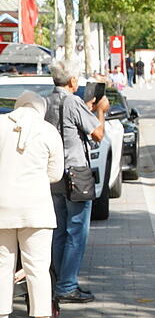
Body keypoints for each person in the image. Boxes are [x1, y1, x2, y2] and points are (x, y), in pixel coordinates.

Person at [44, 61, 108, 304]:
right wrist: (100, 110)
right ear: (71, 81)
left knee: (59, 230)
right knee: (77, 231)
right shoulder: (73, 101)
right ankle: (67, 285)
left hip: (54, 173)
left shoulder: (46, 101)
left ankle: (60, 280)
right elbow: (98, 134)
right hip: (76, 173)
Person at [0, 92, 63, 318]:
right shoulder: (48, 131)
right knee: (37, 269)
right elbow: (55, 174)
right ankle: (40, 315)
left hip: (2, 208)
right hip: (36, 209)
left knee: (2, 267)